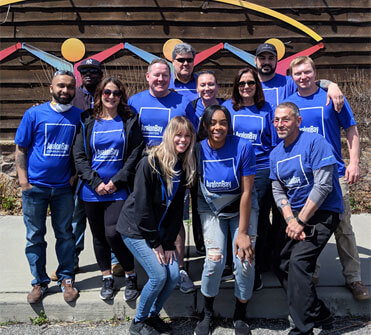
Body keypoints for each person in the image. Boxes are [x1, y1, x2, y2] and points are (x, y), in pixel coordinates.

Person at [284, 56, 369, 300]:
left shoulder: (332, 97)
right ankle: (311, 274)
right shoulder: (289, 104)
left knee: (343, 225)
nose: (303, 77)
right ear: (292, 77)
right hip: (304, 176)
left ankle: (354, 279)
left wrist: (353, 162)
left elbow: (351, 129)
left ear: (315, 73)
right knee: (308, 225)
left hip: (334, 173)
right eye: (298, 73)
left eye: (307, 72)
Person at [117, 116, 196, 335]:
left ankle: (152, 315)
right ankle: (138, 322)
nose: (183, 140)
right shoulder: (149, 162)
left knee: (172, 276)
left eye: (187, 136)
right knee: (159, 276)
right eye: (178, 135)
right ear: (169, 135)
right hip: (136, 229)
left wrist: (168, 242)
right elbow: (142, 208)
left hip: (159, 232)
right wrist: (155, 243)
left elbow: (176, 211)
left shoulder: (183, 164)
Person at [269, 102, 344, 335]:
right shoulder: (275, 153)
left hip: (323, 214)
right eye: (277, 120)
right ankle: (319, 312)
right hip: (297, 218)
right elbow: (278, 190)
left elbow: (322, 186)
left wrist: (300, 221)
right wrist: (291, 219)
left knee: (299, 262)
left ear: (298, 121)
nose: (280, 124)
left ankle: (303, 329)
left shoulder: (316, 142)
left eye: (286, 119)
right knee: (281, 263)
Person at [128, 58, 196, 294]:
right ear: (147, 77)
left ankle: (180, 269)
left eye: (165, 75)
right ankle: (148, 270)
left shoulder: (183, 101)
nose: (160, 79)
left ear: (171, 77)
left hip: (174, 169)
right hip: (145, 171)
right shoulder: (135, 102)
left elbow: (190, 132)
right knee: (144, 215)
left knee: (175, 220)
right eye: (156, 75)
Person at [73, 77, 143, 301]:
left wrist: (116, 181)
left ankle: (130, 275)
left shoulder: (129, 120)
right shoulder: (87, 120)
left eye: (116, 93)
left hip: (118, 188)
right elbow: (80, 156)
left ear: (122, 96)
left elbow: (135, 154)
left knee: (114, 233)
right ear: (100, 95)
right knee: (99, 237)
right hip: (91, 190)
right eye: (107, 92)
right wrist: (96, 183)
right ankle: (107, 278)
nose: (111, 97)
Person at [14, 70, 81, 304]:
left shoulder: (79, 117)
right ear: (51, 88)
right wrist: (24, 181)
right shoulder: (34, 114)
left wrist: (74, 176)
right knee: (35, 236)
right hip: (36, 188)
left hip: (63, 188)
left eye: (70, 87)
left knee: (65, 234)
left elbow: (80, 151)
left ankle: (66, 278)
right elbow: (21, 148)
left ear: (75, 91)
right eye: (61, 86)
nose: (65, 90)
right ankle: (39, 282)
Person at [194, 105, 258, 335]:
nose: (218, 127)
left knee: (244, 259)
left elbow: (247, 192)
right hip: (211, 208)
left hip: (242, 204)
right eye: (212, 123)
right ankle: (207, 312)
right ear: (205, 125)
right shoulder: (197, 150)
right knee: (214, 259)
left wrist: (242, 233)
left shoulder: (243, 146)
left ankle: (240, 313)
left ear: (229, 125)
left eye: (223, 122)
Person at [222, 67, 275, 291]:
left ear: (257, 85)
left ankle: (257, 266)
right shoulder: (228, 108)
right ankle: (231, 261)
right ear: (236, 86)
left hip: (260, 169)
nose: (246, 87)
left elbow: (274, 141)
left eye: (250, 83)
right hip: (233, 169)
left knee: (258, 219)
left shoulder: (266, 109)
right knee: (231, 216)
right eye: (242, 83)